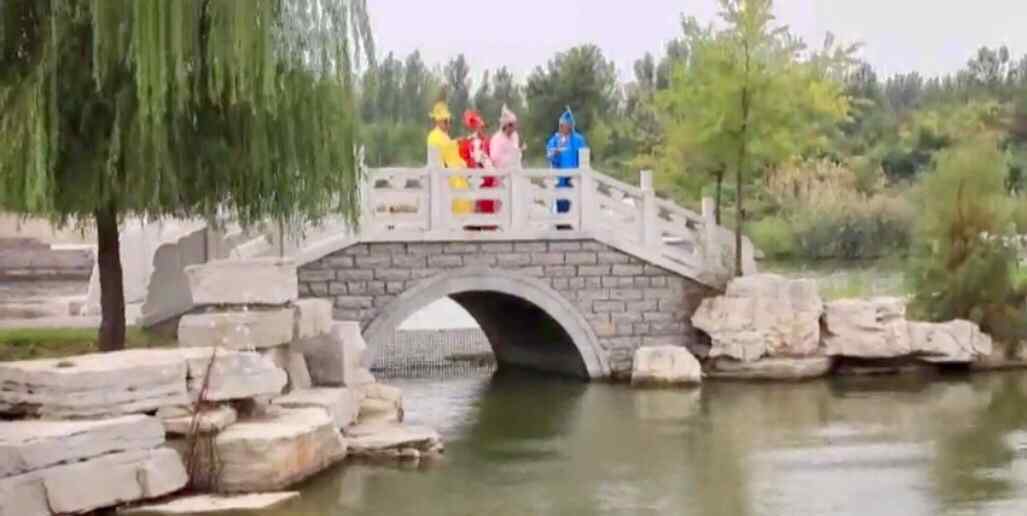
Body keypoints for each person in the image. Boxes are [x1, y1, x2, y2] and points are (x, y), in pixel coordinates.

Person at [426, 101, 473, 215]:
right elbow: (439, 155)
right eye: (445, 121)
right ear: (438, 121)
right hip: (444, 175)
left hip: (455, 174)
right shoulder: (433, 136)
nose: (448, 124)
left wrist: (456, 142)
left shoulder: (444, 136)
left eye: (449, 121)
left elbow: (450, 151)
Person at [545, 107, 587, 215]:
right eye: (561, 125)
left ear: (570, 126)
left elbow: (584, 157)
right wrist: (556, 152)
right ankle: (562, 221)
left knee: (576, 206)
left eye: (564, 125)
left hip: (575, 177)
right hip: (560, 178)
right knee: (562, 203)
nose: (562, 128)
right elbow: (549, 155)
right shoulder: (555, 140)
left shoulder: (578, 139)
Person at [489, 104, 523, 170]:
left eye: (514, 124)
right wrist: (509, 161)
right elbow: (495, 158)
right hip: (502, 172)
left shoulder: (515, 136)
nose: (514, 127)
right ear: (505, 125)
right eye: (511, 125)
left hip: (516, 171)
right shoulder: (497, 139)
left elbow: (516, 153)